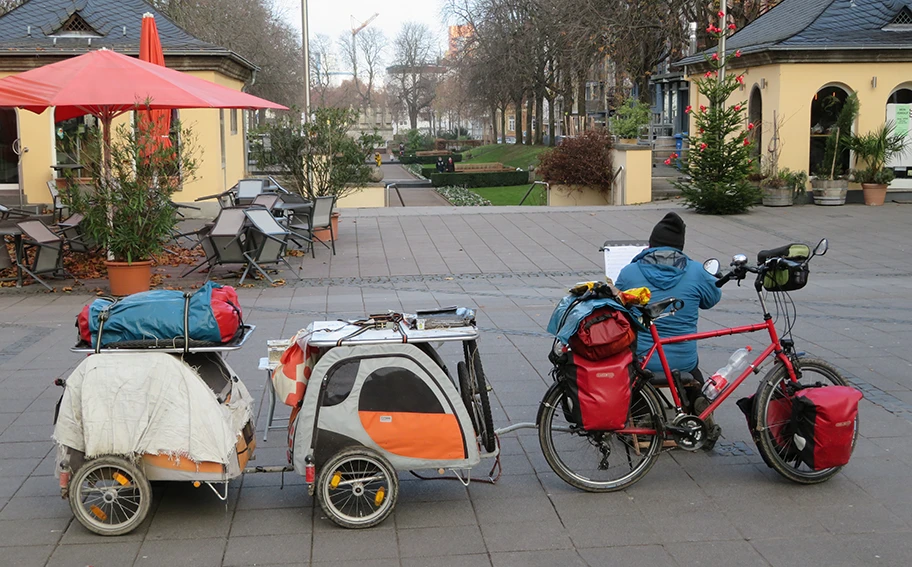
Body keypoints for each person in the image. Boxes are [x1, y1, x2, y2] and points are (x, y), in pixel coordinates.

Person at [615, 212, 722, 445]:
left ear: (651, 245)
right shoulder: (696, 271)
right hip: (684, 362)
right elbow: (712, 299)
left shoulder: (629, 273)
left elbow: (618, 310)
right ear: (680, 247)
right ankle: (698, 406)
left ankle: (642, 411)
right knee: (692, 370)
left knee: (632, 360)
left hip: (644, 361)